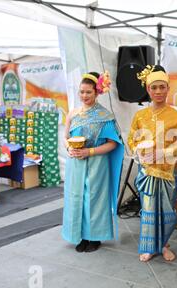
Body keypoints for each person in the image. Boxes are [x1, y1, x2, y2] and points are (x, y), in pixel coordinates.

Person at [128, 65, 177, 262]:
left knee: (166, 211)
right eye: (154, 87)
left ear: (168, 88)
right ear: (148, 89)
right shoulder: (140, 116)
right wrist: (139, 150)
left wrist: (163, 152)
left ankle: (163, 245)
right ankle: (149, 247)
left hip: (168, 172)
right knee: (148, 210)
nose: (158, 91)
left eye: (162, 87)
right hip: (147, 170)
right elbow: (131, 139)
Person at [62, 71, 124, 253]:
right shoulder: (72, 114)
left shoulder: (105, 116)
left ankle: (94, 236)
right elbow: (65, 137)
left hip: (97, 163)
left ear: (97, 93)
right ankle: (78, 235)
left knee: (94, 199)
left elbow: (113, 144)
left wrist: (89, 151)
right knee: (75, 198)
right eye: (81, 92)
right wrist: (69, 148)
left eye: (88, 92)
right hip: (76, 163)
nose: (84, 96)